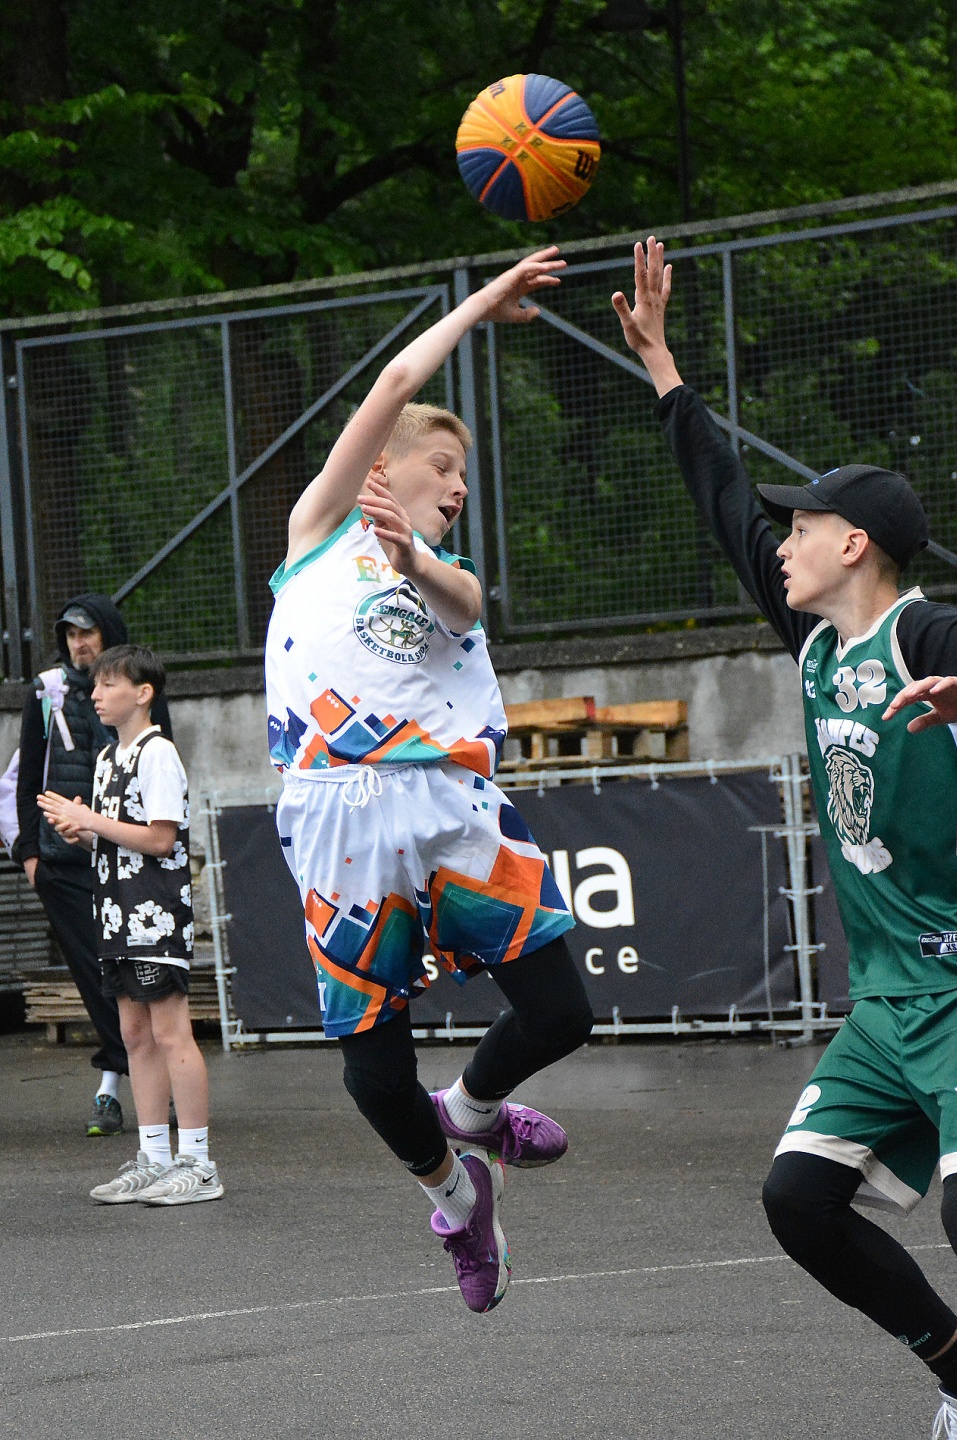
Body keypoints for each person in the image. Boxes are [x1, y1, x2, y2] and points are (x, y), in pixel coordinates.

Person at [613, 235, 957, 1437]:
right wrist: (664, 371)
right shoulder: (816, 642)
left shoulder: (927, 636)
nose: (779, 542)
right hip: (885, 1001)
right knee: (797, 1200)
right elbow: (723, 498)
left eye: (798, 527)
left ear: (851, 543)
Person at [265, 245, 593, 1313]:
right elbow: (399, 378)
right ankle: (455, 1197)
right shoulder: (317, 533)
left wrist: (416, 562)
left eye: (462, 475)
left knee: (562, 1014)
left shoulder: (438, 573)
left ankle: (474, 1108)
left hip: (448, 801)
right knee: (371, 1070)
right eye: (442, 467)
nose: (457, 485)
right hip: (337, 814)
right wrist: (481, 301)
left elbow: (466, 605)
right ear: (381, 468)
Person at [38, 644, 222, 1207]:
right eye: (95, 685)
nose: (95, 695)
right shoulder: (106, 758)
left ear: (143, 693)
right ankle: (154, 1158)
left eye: (108, 685)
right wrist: (83, 834)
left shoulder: (158, 752)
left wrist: (91, 820)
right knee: (135, 1036)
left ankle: (198, 1163)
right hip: (116, 915)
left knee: (170, 1033)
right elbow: (120, 838)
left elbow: (162, 839)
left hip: (154, 914)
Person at [16, 593, 172, 1136]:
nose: (78, 643)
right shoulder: (46, 692)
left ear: (109, 633)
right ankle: (113, 1086)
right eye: (70, 634)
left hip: (129, 862)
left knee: (139, 980)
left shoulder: (139, 691)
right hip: (62, 862)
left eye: (87, 632)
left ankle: (150, 1086)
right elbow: (29, 774)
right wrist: (30, 855)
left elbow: (161, 782)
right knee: (98, 979)